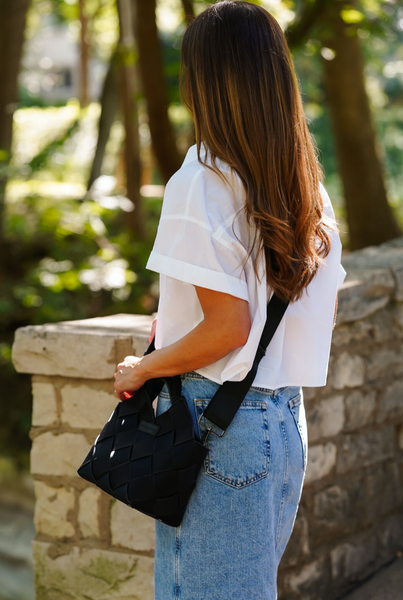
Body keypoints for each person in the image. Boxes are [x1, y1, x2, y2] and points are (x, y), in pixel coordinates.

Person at [114, 2, 346, 599]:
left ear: (205, 82)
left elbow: (227, 329)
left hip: (219, 429)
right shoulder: (303, 182)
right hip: (281, 421)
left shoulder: (201, 179)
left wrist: (144, 367)